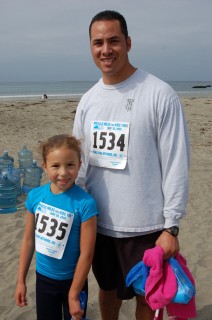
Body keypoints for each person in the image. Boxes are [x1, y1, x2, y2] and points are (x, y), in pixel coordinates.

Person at [73, 10, 190, 320]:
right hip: (98, 223)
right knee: (107, 292)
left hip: (147, 227)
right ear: (91, 47)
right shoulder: (88, 101)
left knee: (147, 299)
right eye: (98, 42)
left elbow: (176, 162)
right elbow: (80, 166)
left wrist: (171, 226)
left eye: (114, 41)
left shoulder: (159, 94)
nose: (106, 49)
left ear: (128, 42)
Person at [15, 134, 98, 320]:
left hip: (74, 281)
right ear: (44, 166)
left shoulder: (86, 204)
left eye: (70, 165)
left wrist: (74, 293)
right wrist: (21, 280)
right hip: (43, 280)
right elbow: (29, 240)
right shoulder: (35, 197)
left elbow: (87, 254)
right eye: (55, 166)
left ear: (79, 164)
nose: (63, 173)